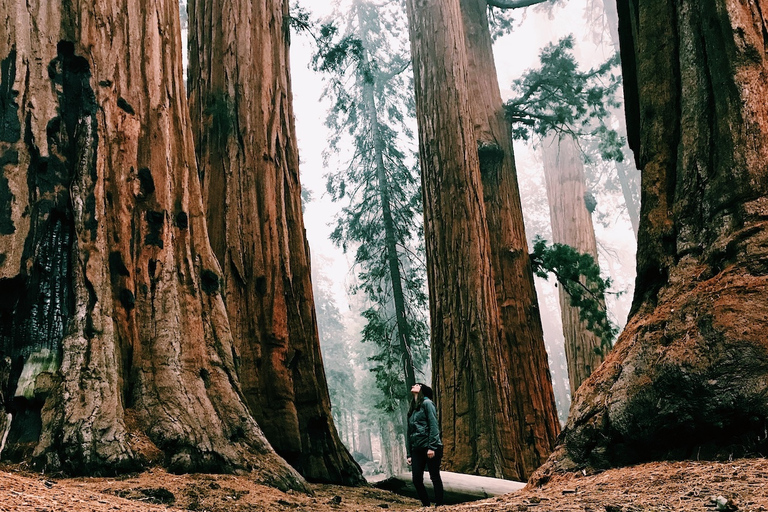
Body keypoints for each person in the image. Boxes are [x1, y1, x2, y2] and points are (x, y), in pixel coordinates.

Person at [406, 382, 444, 507]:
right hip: (417, 449)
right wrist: (409, 454)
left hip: (430, 447)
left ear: (422, 390)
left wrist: (432, 447)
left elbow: (433, 426)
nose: (414, 386)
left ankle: (439, 505)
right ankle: (426, 505)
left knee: (434, 477)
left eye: (417, 385)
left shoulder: (427, 404)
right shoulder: (412, 407)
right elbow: (409, 432)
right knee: (416, 479)